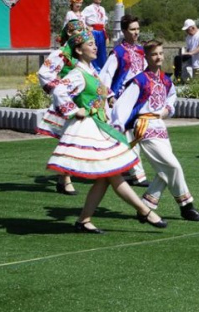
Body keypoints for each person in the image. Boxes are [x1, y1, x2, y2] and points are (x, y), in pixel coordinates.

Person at [46, 30, 167, 233]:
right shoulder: (77, 73)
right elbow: (59, 90)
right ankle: (144, 211)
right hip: (90, 129)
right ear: (78, 49)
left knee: (107, 176)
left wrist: (109, 97)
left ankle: (84, 219)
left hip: (100, 126)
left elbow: (99, 89)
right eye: (90, 44)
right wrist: (74, 110)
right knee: (112, 174)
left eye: (95, 43)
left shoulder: (90, 70)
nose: (95, 47)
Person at [112, 39, 199, 221]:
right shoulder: (140, 80)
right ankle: (187, 207)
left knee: (165, 170)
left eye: (160, 53)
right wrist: (117, 128)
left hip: (160, 127)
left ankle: (146, 205)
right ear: (146, 57)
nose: (158, 57)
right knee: (173, 166)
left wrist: (167, 110)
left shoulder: (164, 79)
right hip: (145, 127)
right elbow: (121, 106)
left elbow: (172, 96)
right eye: (154, 54)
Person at [36, 19, 88, 195]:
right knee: (69, 140)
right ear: (67, 34)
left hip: (82, 101)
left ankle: (63, 177)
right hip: (68, 103)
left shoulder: (80, 53)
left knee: (77, 141)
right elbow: (44, 73)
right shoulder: (61, 54)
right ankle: (65, 179)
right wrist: (60, 86)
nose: (76, 35)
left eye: (80, 31)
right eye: (73, 32)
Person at [100, 14, 149, 187]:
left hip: (138, 98)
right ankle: (138, 175)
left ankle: (120, 170)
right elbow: (106, 75)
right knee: (129, 134)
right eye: (132, 29)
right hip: (121, 100)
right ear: (123, 31)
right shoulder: (118, 52)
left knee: (133, 135)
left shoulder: (141, 51)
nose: (136, 33)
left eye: (137, 29)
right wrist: (110, 95)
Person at [81, 0, 109, 71]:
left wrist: (106, 35)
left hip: (101, 32)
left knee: (102, 53)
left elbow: (104, 22)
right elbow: (81, 18)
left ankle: (102, 70)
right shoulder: (88, 8)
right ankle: (92, 69)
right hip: (93, 32)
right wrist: (86, 27)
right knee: (93, 51)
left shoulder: (102, 9)